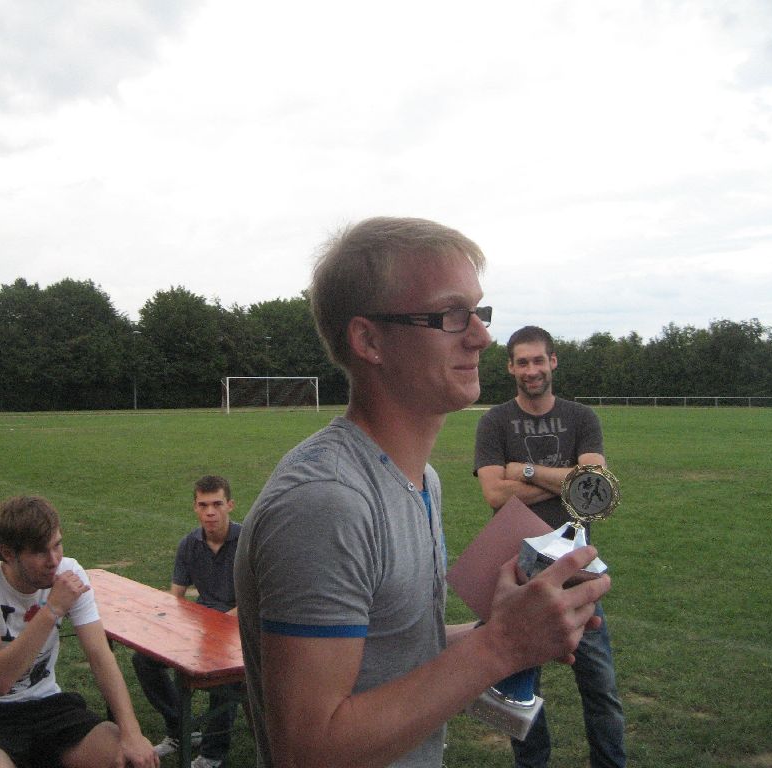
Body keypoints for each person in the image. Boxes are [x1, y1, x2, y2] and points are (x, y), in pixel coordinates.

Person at [234, 216, 613, 768]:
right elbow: (307, 750)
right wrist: (500, 646)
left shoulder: (420, 479)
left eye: (478, 312)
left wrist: (509, 626)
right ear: (369, 340)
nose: (482, 337)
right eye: (451, 315)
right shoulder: (326, 502)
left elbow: (392, 655)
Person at [473, 325, 627, 768]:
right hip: (518, 570)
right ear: (510, 367)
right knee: (519, 686)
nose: (531, 370)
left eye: (538, 360)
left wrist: (522, 471)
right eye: (522, 362)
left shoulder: (581, 418)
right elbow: (494, 495)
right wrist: (567, 481)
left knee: (600, 687)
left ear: (553, 361)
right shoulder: (495, 422)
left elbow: (595, 487)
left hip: (576, 569)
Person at [0, 495, 158, 768]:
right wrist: (52, 610)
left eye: (57, 545)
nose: (54, 560)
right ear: (8, 553)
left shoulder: (70, 572)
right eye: (39, 552)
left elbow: (100, 656)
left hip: (47, 705)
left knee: (126, 757)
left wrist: (132, 733)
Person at [132, 475, 242, 768]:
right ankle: (180, 728)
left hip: (238, 627)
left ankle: (212, 753)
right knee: (144, 659)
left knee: (224, 675)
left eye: (217, 504)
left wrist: (219, 625)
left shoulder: (247, 543)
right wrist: (169, 627)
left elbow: (257, 599)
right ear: (195, 507)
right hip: (201, 624)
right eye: (203, 505)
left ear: (230, 505)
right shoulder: (189, 544)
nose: (210, 512)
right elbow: (176, 597)